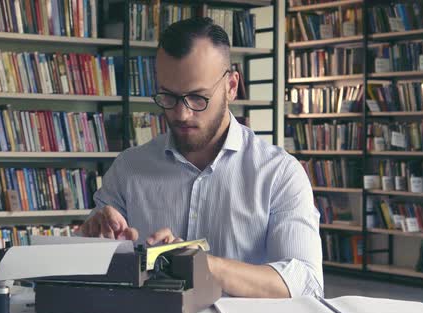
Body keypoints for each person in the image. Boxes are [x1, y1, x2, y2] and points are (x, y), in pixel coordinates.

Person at [79, 17, 323, 298]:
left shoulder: (279, 173)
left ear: (231, 86)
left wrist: (205, 265)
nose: (181, 114)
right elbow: (92, 265)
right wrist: (97, 239)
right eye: (168, 97)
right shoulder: (128, 168)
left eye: (198, 98)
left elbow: (306, 283)